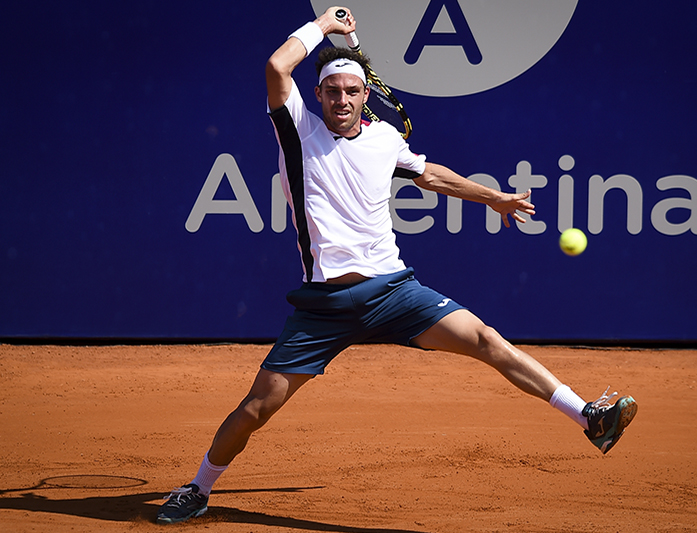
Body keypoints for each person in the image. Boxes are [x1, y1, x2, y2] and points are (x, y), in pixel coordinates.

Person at [156, 6, 637, 525]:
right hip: (325, 305)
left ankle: (588, 417)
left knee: (488, 340)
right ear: (317, 96)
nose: (341, 99)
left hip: (393, 291)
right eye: (332, 91)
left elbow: (432, 175)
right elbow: (277, 67)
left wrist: (493, 198)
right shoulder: (298, 131)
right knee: (257, 408)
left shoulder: (385, 139)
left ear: (365, 97)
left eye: (350, 91)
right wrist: (325, 26)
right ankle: (199, 487)